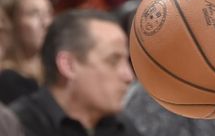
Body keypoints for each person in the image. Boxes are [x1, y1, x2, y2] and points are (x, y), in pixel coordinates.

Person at [10, 9, 140, 135]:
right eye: (112, 60)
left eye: (126, 61)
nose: (129, 76)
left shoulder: (121, 125)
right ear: (68, 66)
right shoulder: (18, 126)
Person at [0, 0, 52, 105]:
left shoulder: (55, 73)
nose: (46, 23)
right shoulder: (7, 80)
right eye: (34, 14)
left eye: (49, 13)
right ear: (10, 22)